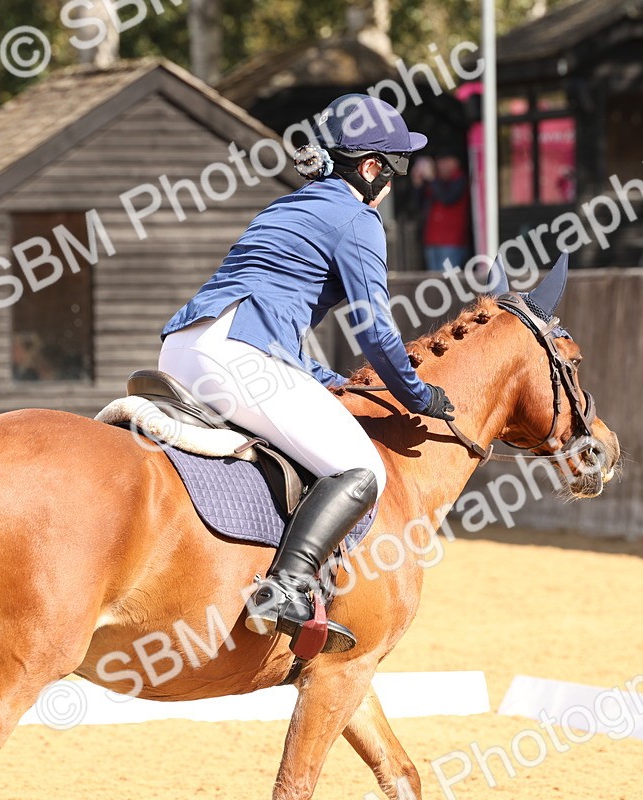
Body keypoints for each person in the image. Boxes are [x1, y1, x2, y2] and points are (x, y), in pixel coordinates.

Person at [158, 94, 456, 653]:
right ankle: (285, 587)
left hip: (184, 346)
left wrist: (325, 376)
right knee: (361, 468)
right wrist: (417, 394)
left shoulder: (289, 206)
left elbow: (272, 318)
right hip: (236, 357)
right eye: (394, 169)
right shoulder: (359, 219)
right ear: (370, 169)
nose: (395, 184)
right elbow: (375, 331)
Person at [414, 153, 471, 272]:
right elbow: (418, 205)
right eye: (440, 162)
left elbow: (447, 198)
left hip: (452, 241)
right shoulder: (436, 181)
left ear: (455, 162)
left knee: (448, 283)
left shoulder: (460, 179)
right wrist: (418, 184)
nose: (441, 166)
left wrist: (431, 179)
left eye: (445, 161)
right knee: (433, 281)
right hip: (432, 239)